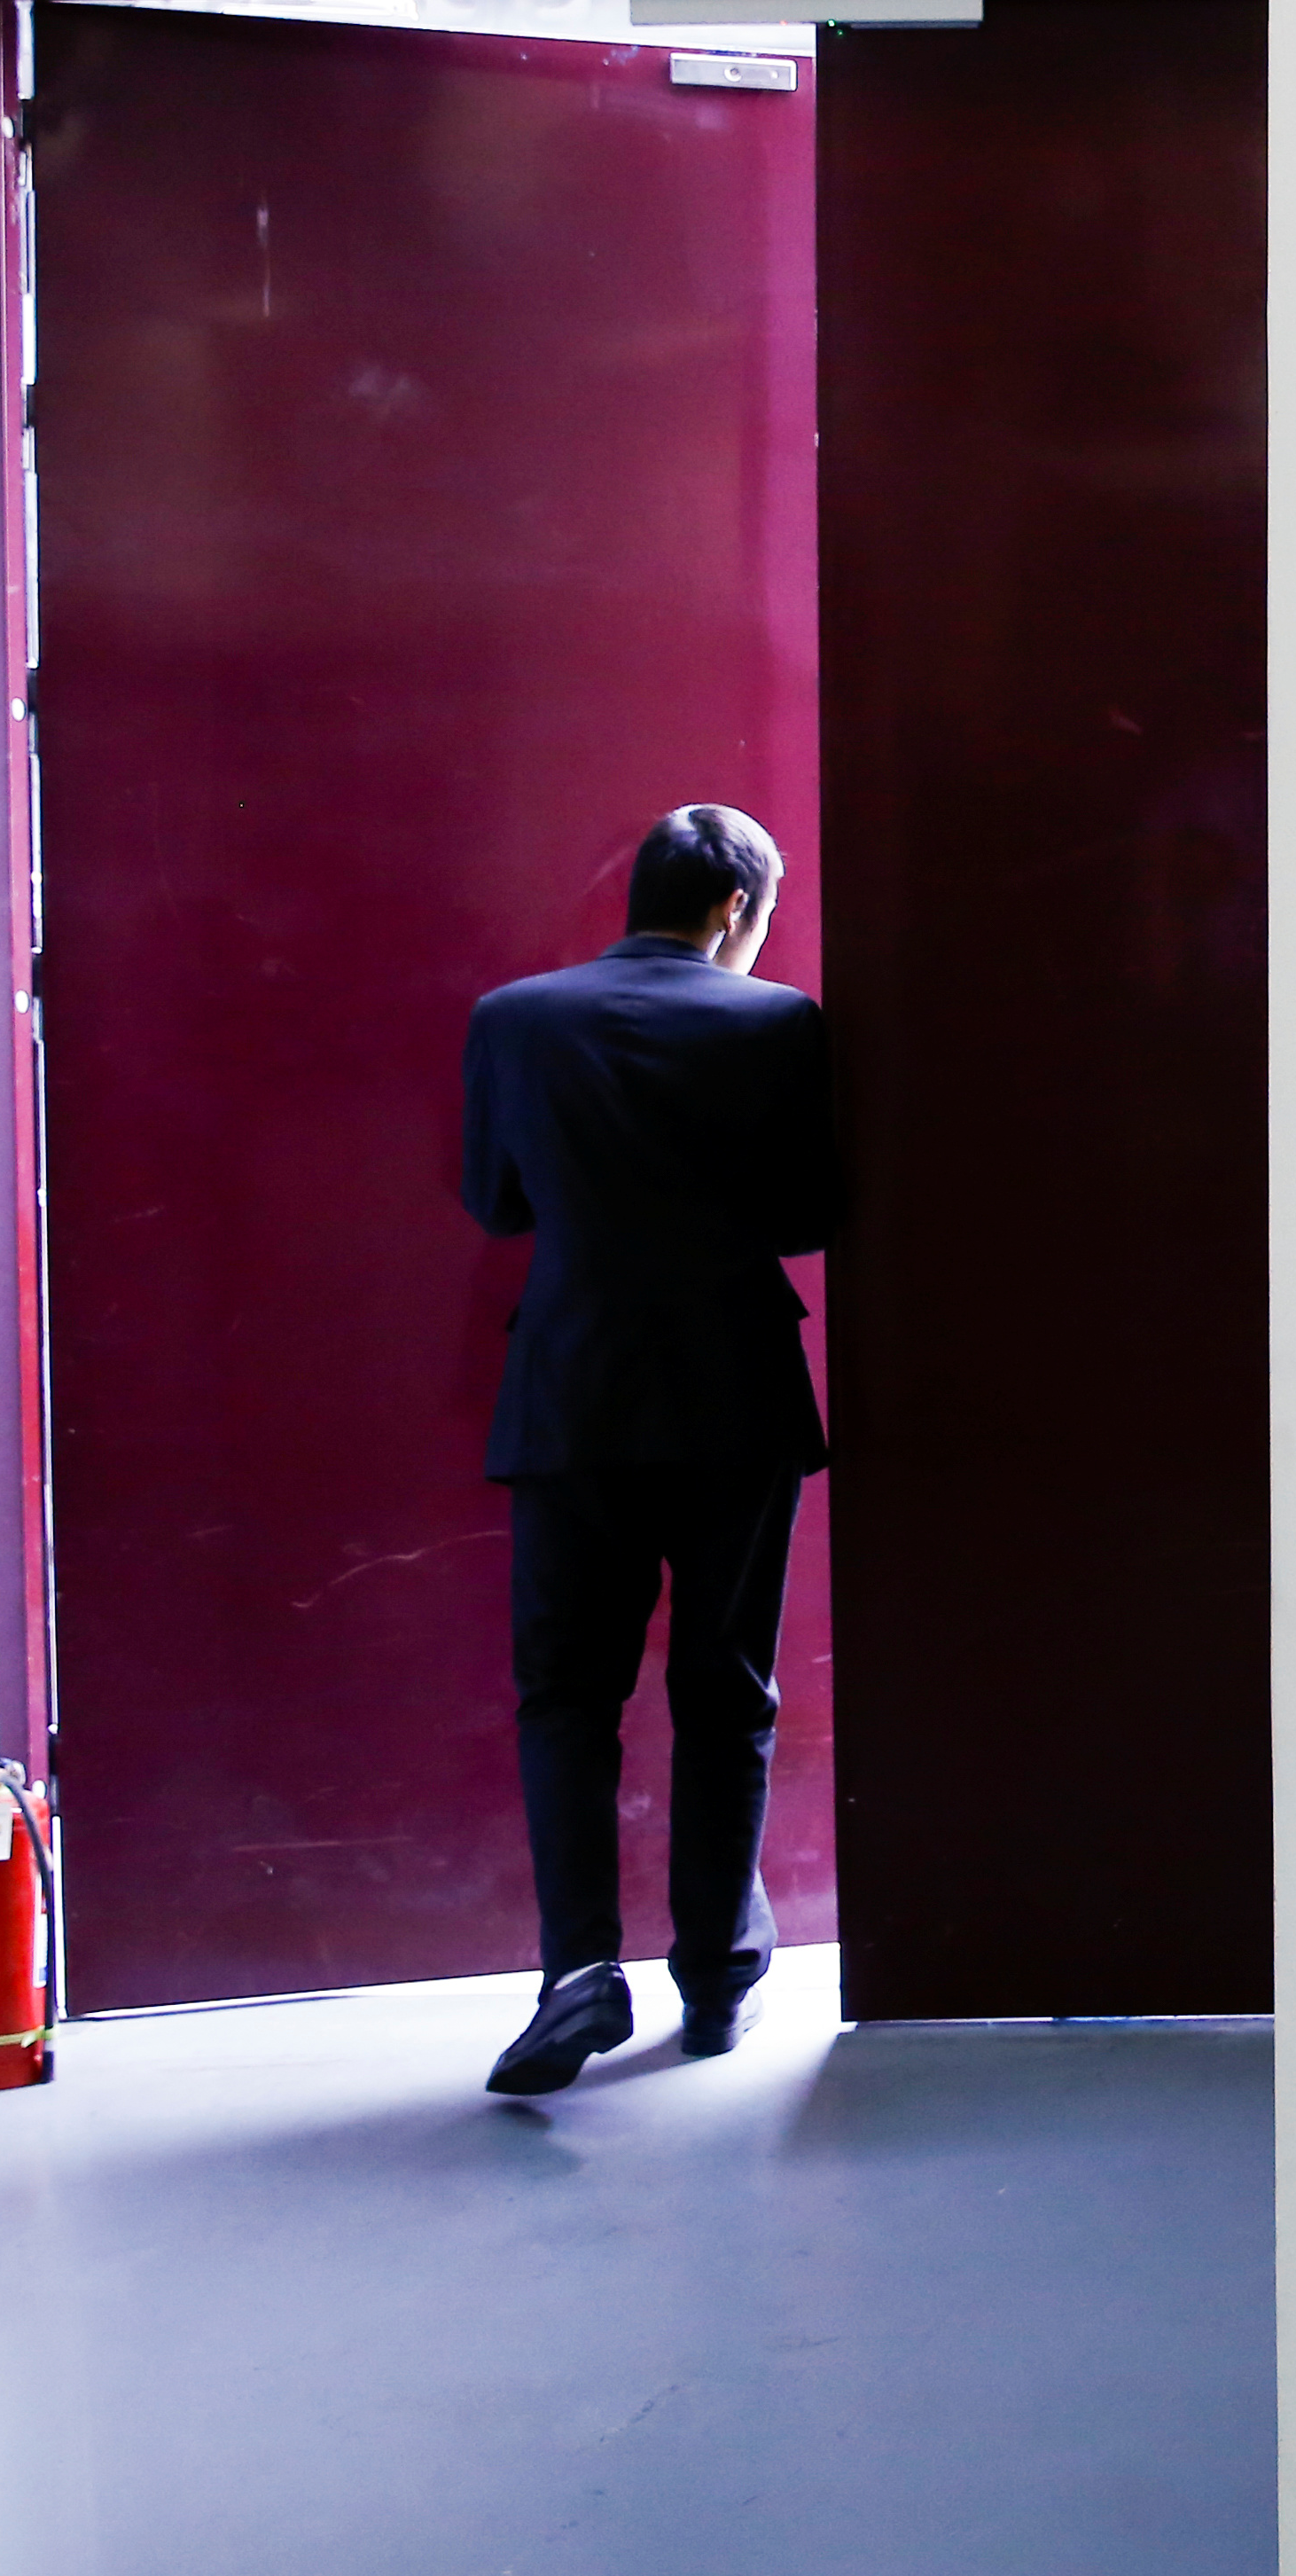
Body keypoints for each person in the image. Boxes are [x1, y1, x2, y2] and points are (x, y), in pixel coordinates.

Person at [458, 804, 839, 2094]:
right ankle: (718, 1974)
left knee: (565, 1692)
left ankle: (577, 1970)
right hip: (734, 1393)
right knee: (726, 1689)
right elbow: (809, 1213)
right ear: (736, 908)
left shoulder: (513, 1019)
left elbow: (497, 1201)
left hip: (570, 1395)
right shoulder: (780, 1023)